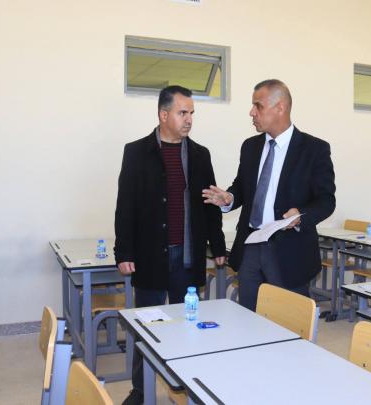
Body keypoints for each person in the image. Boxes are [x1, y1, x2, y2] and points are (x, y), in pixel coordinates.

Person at [115, 85, 226, 405]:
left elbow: (210, 203)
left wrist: (218, 246)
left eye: (192, 113)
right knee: (146, 325)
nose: (189, 119)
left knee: (186, 325)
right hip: (150, 254)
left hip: (188, 256)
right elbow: (125, 205)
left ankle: (186, 384)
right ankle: (140, 389)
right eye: (182, 112)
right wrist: (124, 251)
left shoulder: (200, 155)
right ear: (164, 115)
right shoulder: (136, 152)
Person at [203, 79, 335, 311]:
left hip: (290, 252)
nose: (251, 112)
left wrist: (301, 215)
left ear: (280, 107)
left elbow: (326, 200)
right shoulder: (250, 146)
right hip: (251, 246)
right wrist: (230, 198)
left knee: (287, 319)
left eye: (258, 106)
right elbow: (242, 187)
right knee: (248, 315)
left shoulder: (314, 149)